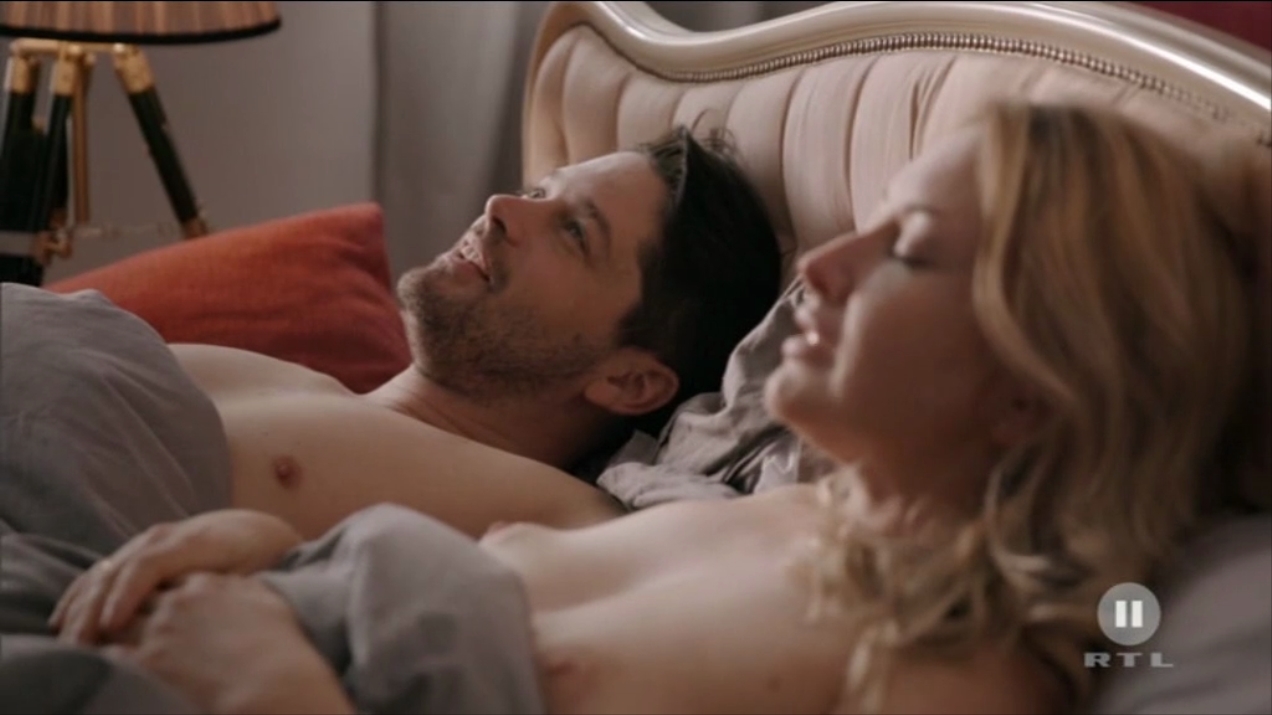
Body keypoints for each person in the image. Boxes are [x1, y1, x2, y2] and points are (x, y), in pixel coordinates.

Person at [51, 102, 1265, 714]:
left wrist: (281, 690)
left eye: (911, 250)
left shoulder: (955, 669)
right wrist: (262, 551)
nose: (824, 266)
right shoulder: (769, 520)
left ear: (1032, 386)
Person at [2, 125, 782, 551]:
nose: (502, 206)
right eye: (539, 190)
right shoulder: (304, 386)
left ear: (630, 381)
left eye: (574, 231)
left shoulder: (563, 518)